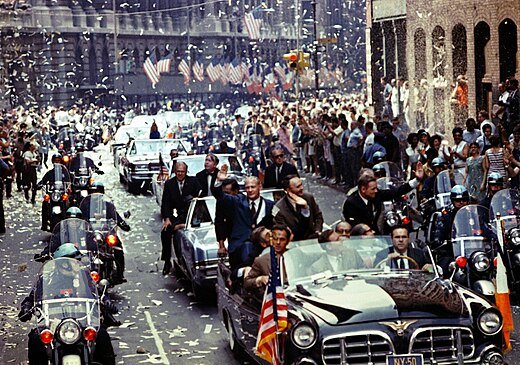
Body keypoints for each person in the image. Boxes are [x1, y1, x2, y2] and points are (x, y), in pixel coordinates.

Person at [18, 253, 117, 365]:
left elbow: (98, 293)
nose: (78, 264)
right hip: (53, 323)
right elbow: (32, 298)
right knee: (36, 338)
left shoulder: (85, 277)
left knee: (101, 334)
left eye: (77, 260)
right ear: (64, 265)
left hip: (83, 320)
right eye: (74, 261)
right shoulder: (46, 280)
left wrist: (106, 301)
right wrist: (26, 308)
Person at [214, 167, 274, 272]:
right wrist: (219, 181)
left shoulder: (270, 205)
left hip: (262, 248)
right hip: (239, 248)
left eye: (253, 187)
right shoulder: (237, 201)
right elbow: (221, 197)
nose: (250, 190)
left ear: (260, 186)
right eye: (247, 188)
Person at [342, 162, 424, 233]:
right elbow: (353, 227)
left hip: (377, 234)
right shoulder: (351, 203)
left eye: (376, 188)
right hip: (360, 239)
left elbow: (396, 192)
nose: (376, 191)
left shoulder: (376, 195)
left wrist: (417, 180)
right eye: (373, 189)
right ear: (363, 189)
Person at [160, 161, 201, 275]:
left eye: (182, 172)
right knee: (165, 232)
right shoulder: (169, 184)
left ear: (186, 172)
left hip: (191, 215)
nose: (180, 174)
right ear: (175, 171)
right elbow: (165, 203)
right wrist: (167, 219)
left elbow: (199, 198)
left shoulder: (193, 181)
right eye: (178, 171)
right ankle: (167, 261)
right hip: (176, 214)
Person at [244, 224, 290, 299]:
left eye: (282, 239)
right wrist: (260, 279)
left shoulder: (295, 254)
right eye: (275, 238)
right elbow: (247, 283)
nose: (278, 242)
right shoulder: (260, 260)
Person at [272, 175, 323, 241]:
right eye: (298, 187)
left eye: (301, 185)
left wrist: (317, 231)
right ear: (288, 190)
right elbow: (282, 230)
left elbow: (318, 216)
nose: (302, 188)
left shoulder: (309, 197)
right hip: (294, 243)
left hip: (312, 240)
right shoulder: (278, 208)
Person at [215, 178, 240, 257]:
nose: (225, 196)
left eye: (227, 193)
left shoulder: (244, 202)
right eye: (224, 193)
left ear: (235, 192)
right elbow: (219, 222)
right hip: (231, 239)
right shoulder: (222, 202)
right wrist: (221, 245)